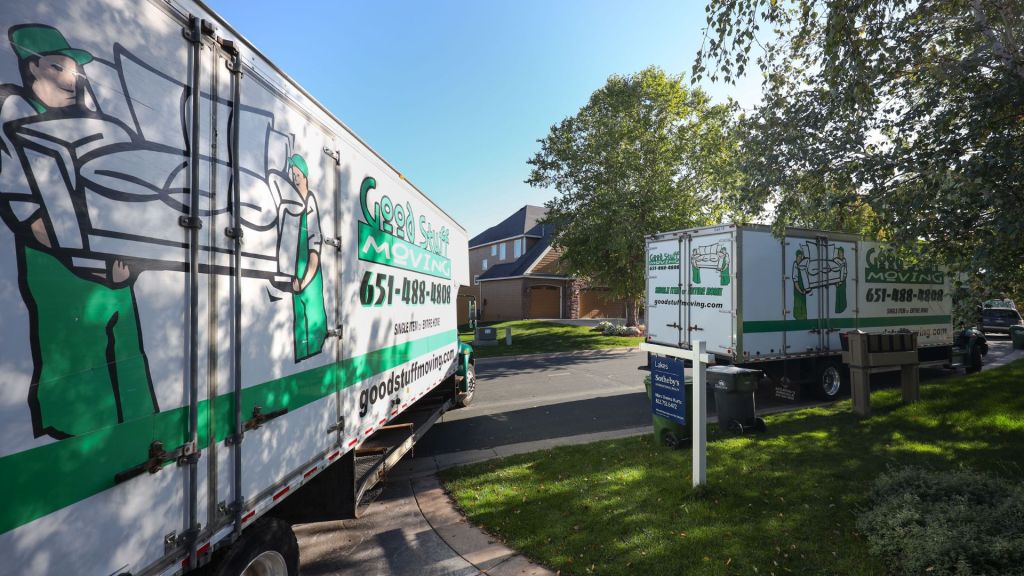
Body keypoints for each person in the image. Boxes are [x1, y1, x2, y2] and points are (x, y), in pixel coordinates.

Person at [0, 24, 156, 439]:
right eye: (59, 68)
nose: (73, 80)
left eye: (75, 71)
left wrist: (122, 268)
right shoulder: (16, 118)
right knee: (78, 370)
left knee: (128, 355)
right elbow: (33, 219)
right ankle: (79, 447)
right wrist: (92, 266)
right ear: (33, 66)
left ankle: (142, 437)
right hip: (63, 272)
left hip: (110, 271)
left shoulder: (89, 125)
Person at [287, 154, 327, 362]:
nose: (295, 178)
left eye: (297, 174)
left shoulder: (310, 203)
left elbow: (314, 252)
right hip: (297, 283)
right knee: (301, 338)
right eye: (292, 174)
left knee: (312, 331)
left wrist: (303, 281)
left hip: (307, 282)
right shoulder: (294, 205)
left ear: (305, 174)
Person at [792, 249, 809, 320]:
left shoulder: (802, 266)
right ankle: (798, 318)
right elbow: (796, 282)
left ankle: (804, 318)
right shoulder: (795, 265)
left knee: (803, 304)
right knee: (798, 304)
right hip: (798, 290)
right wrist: (800, 291)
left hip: (803, 289)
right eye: (798, 257)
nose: (800, 259)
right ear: (796, 257)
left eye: (801, 257)